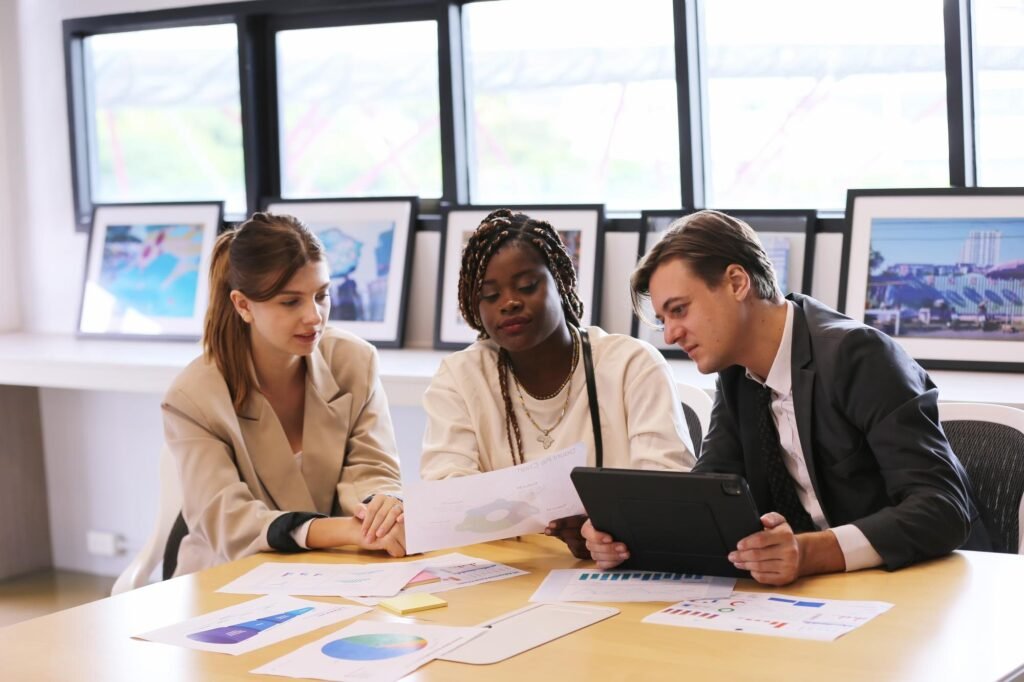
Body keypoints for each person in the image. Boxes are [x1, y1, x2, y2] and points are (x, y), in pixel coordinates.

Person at [582, 209, 989, 585]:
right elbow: (710, 492)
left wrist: (810, 551)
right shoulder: (737, 371)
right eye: (663, 320)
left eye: (679, 310)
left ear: (737, 283)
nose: (669, 334)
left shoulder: (857, 354)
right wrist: (622, 536)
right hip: (824, 598)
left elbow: (943, 508)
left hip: (924, 586)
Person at [420, 209, 695, 557]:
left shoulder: (631, 366)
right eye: (490, 295)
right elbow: (445, 497)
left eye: (526, 286)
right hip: (507, 574)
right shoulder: (460, 377)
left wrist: (603, 528)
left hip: (620, 568)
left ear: (561, 282)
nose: (509, 303)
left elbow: (666, 494)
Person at [162, 212, 406, 576]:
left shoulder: (355, 361)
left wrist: (379, 512)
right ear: (243, 305)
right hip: (228, 578)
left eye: (321, 295)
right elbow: (230, 521)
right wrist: (342, 530)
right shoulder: (193, 397)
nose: (314, 316)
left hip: (338, 570)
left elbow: (373, 470)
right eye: (291, 302)